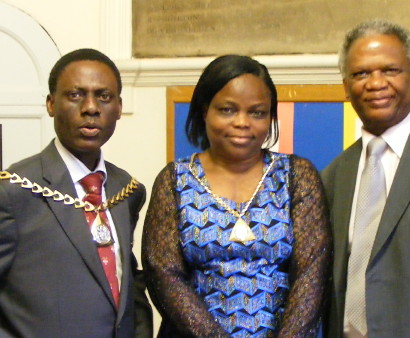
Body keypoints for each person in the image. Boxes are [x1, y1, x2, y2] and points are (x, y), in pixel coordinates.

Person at [142, 54, 331, 337]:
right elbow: (163, 273)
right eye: (228, 110)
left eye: (257, 112)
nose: (242, 122)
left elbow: (312, 273)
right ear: (205, 110)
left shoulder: (296, 176)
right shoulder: (175, 178)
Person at [0, 48, 153, 337]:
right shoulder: (13, 191)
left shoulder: (127, 189)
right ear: (51, 104)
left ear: (119, 107)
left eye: (104, 97)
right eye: (75, 95)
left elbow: (127, 281)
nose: (91, 108)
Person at [322, 19, 410, 338]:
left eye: (390, 70)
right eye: (361, 73)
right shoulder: (333, 176)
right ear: (345, 85)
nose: (375, 83)